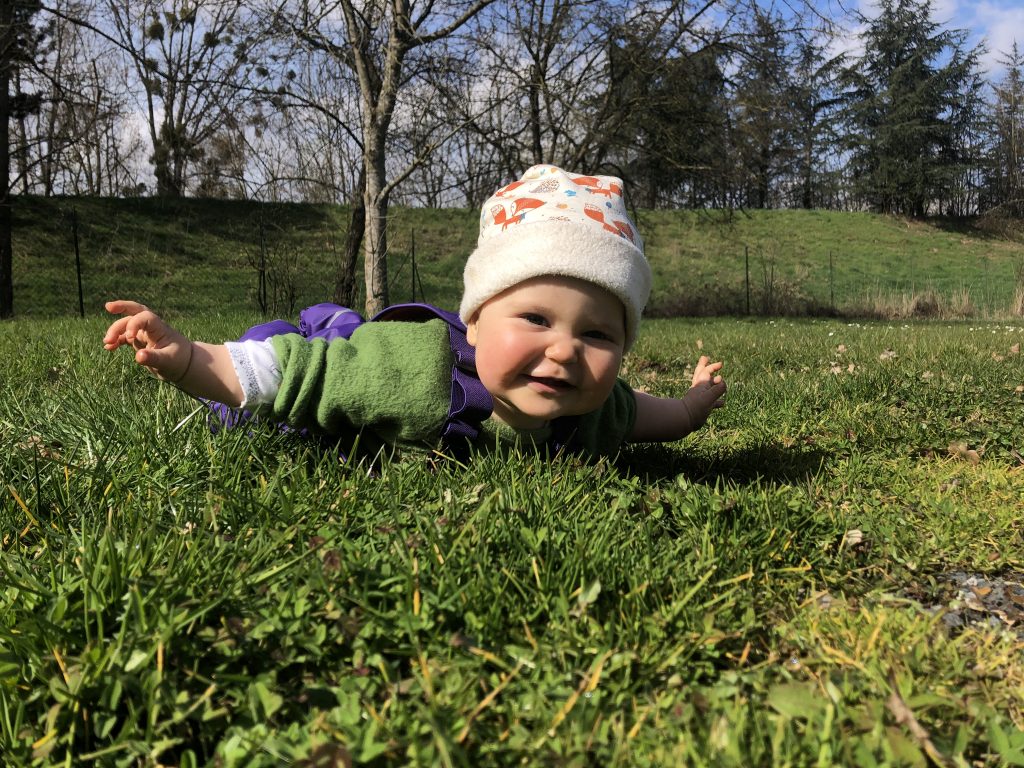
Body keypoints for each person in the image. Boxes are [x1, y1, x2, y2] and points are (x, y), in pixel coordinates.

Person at [103, 165, 726, 458]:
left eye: (598, 334)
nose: (565, 350)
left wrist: (694, 404)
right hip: (351, 365)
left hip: (369, 359)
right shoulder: (416, 374)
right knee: (284, 379)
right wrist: (188, 358)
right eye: (536, 319)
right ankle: (327, 325)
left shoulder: (590, 409)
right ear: (475, 322)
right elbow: (299, 375)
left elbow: (649, 416)